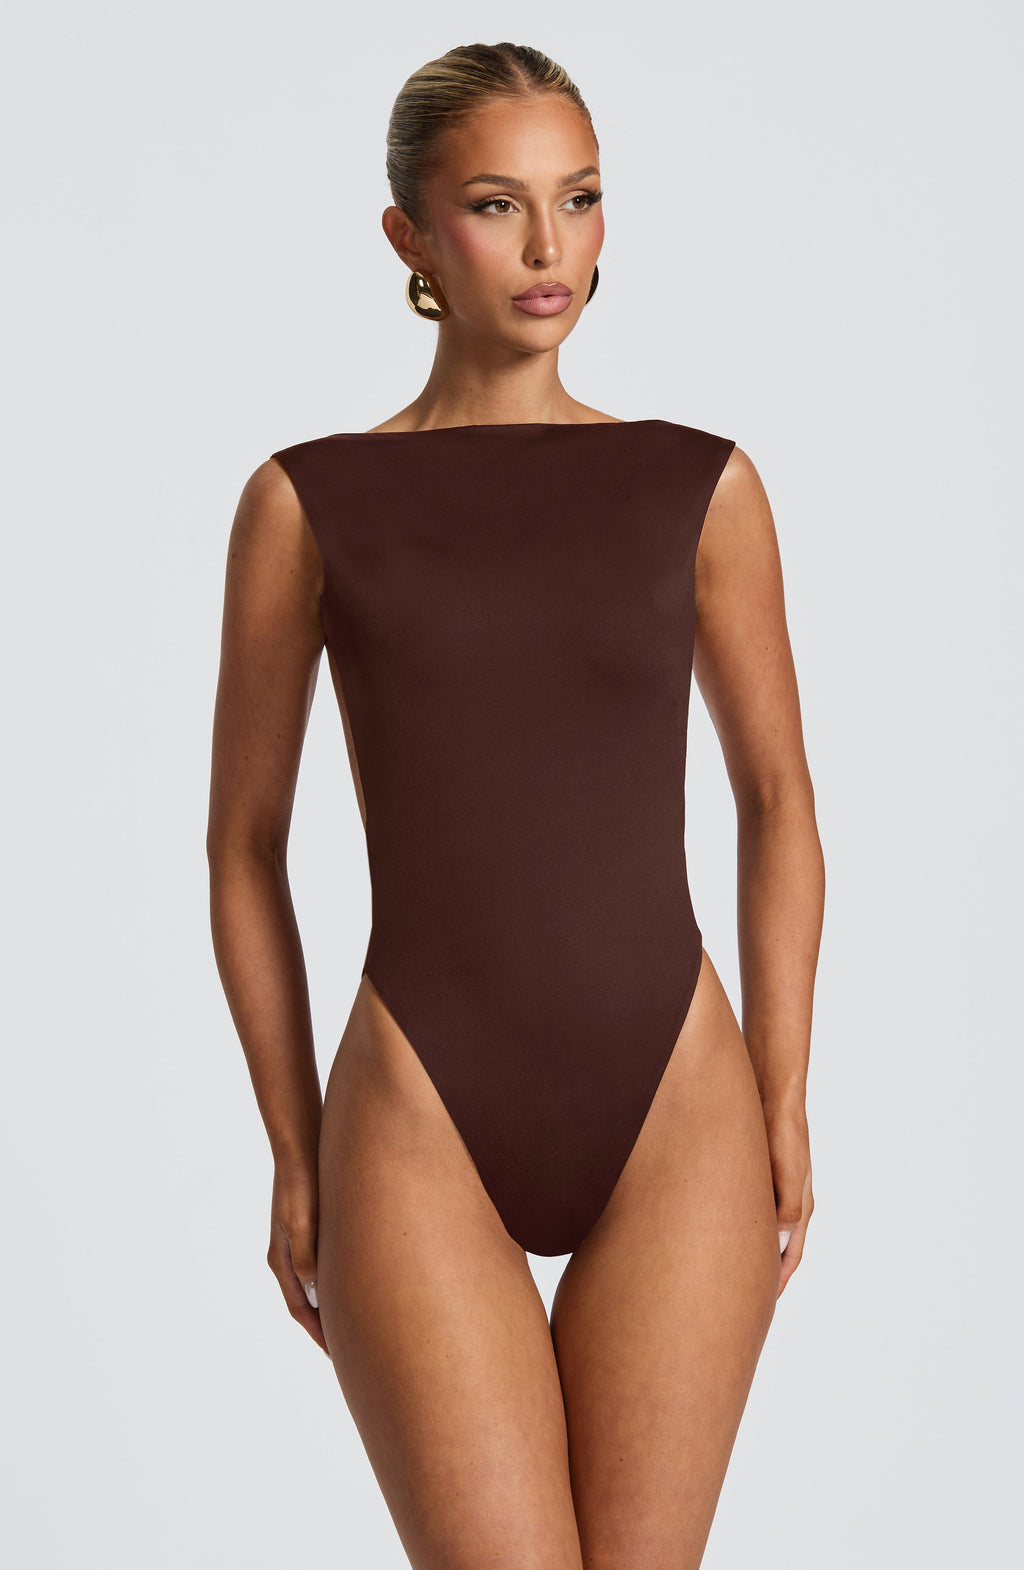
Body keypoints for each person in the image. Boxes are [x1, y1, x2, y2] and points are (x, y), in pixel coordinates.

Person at [206, 39, 824, 1570]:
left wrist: (784, 1092)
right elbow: (243, 845)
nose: (551, 246)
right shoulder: (307, 503)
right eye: (497, 205)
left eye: (580, 198)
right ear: (411, 237)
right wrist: (292, 1142)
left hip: (676, 1103)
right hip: (418, 1111)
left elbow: (776, 795)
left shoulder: (702, 487)